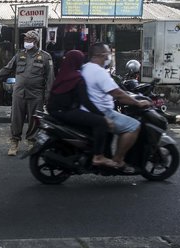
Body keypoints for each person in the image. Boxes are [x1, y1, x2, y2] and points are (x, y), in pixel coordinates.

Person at [81, 43, 152, 173]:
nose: (109, 57)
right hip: (103, 112)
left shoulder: (85, 68)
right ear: (100, 55)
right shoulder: (99, 72)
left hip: (87, 111)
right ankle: (118, 160)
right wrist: (138, 103)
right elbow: (118, 94)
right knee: (134, 125)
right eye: (107, 54)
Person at [0, 29, 55, 156]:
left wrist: (48, 95)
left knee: (34, 119)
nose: (26, 42)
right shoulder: (19, 55)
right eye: (25, 40)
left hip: (36, 94)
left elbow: (50, 78)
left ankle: (31, 141)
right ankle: (14, 142)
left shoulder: (46, 57)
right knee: (16, 119)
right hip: (19, 93)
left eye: (29, 40)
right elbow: (7, 69)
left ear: (35, 42)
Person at [46, 50, 117, 168]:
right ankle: (98, 156)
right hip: (66, 112)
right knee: (101, 123)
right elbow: (86, 102)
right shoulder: (77, 78)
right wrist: (102, 116)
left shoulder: (62, 75)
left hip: (54, 111)